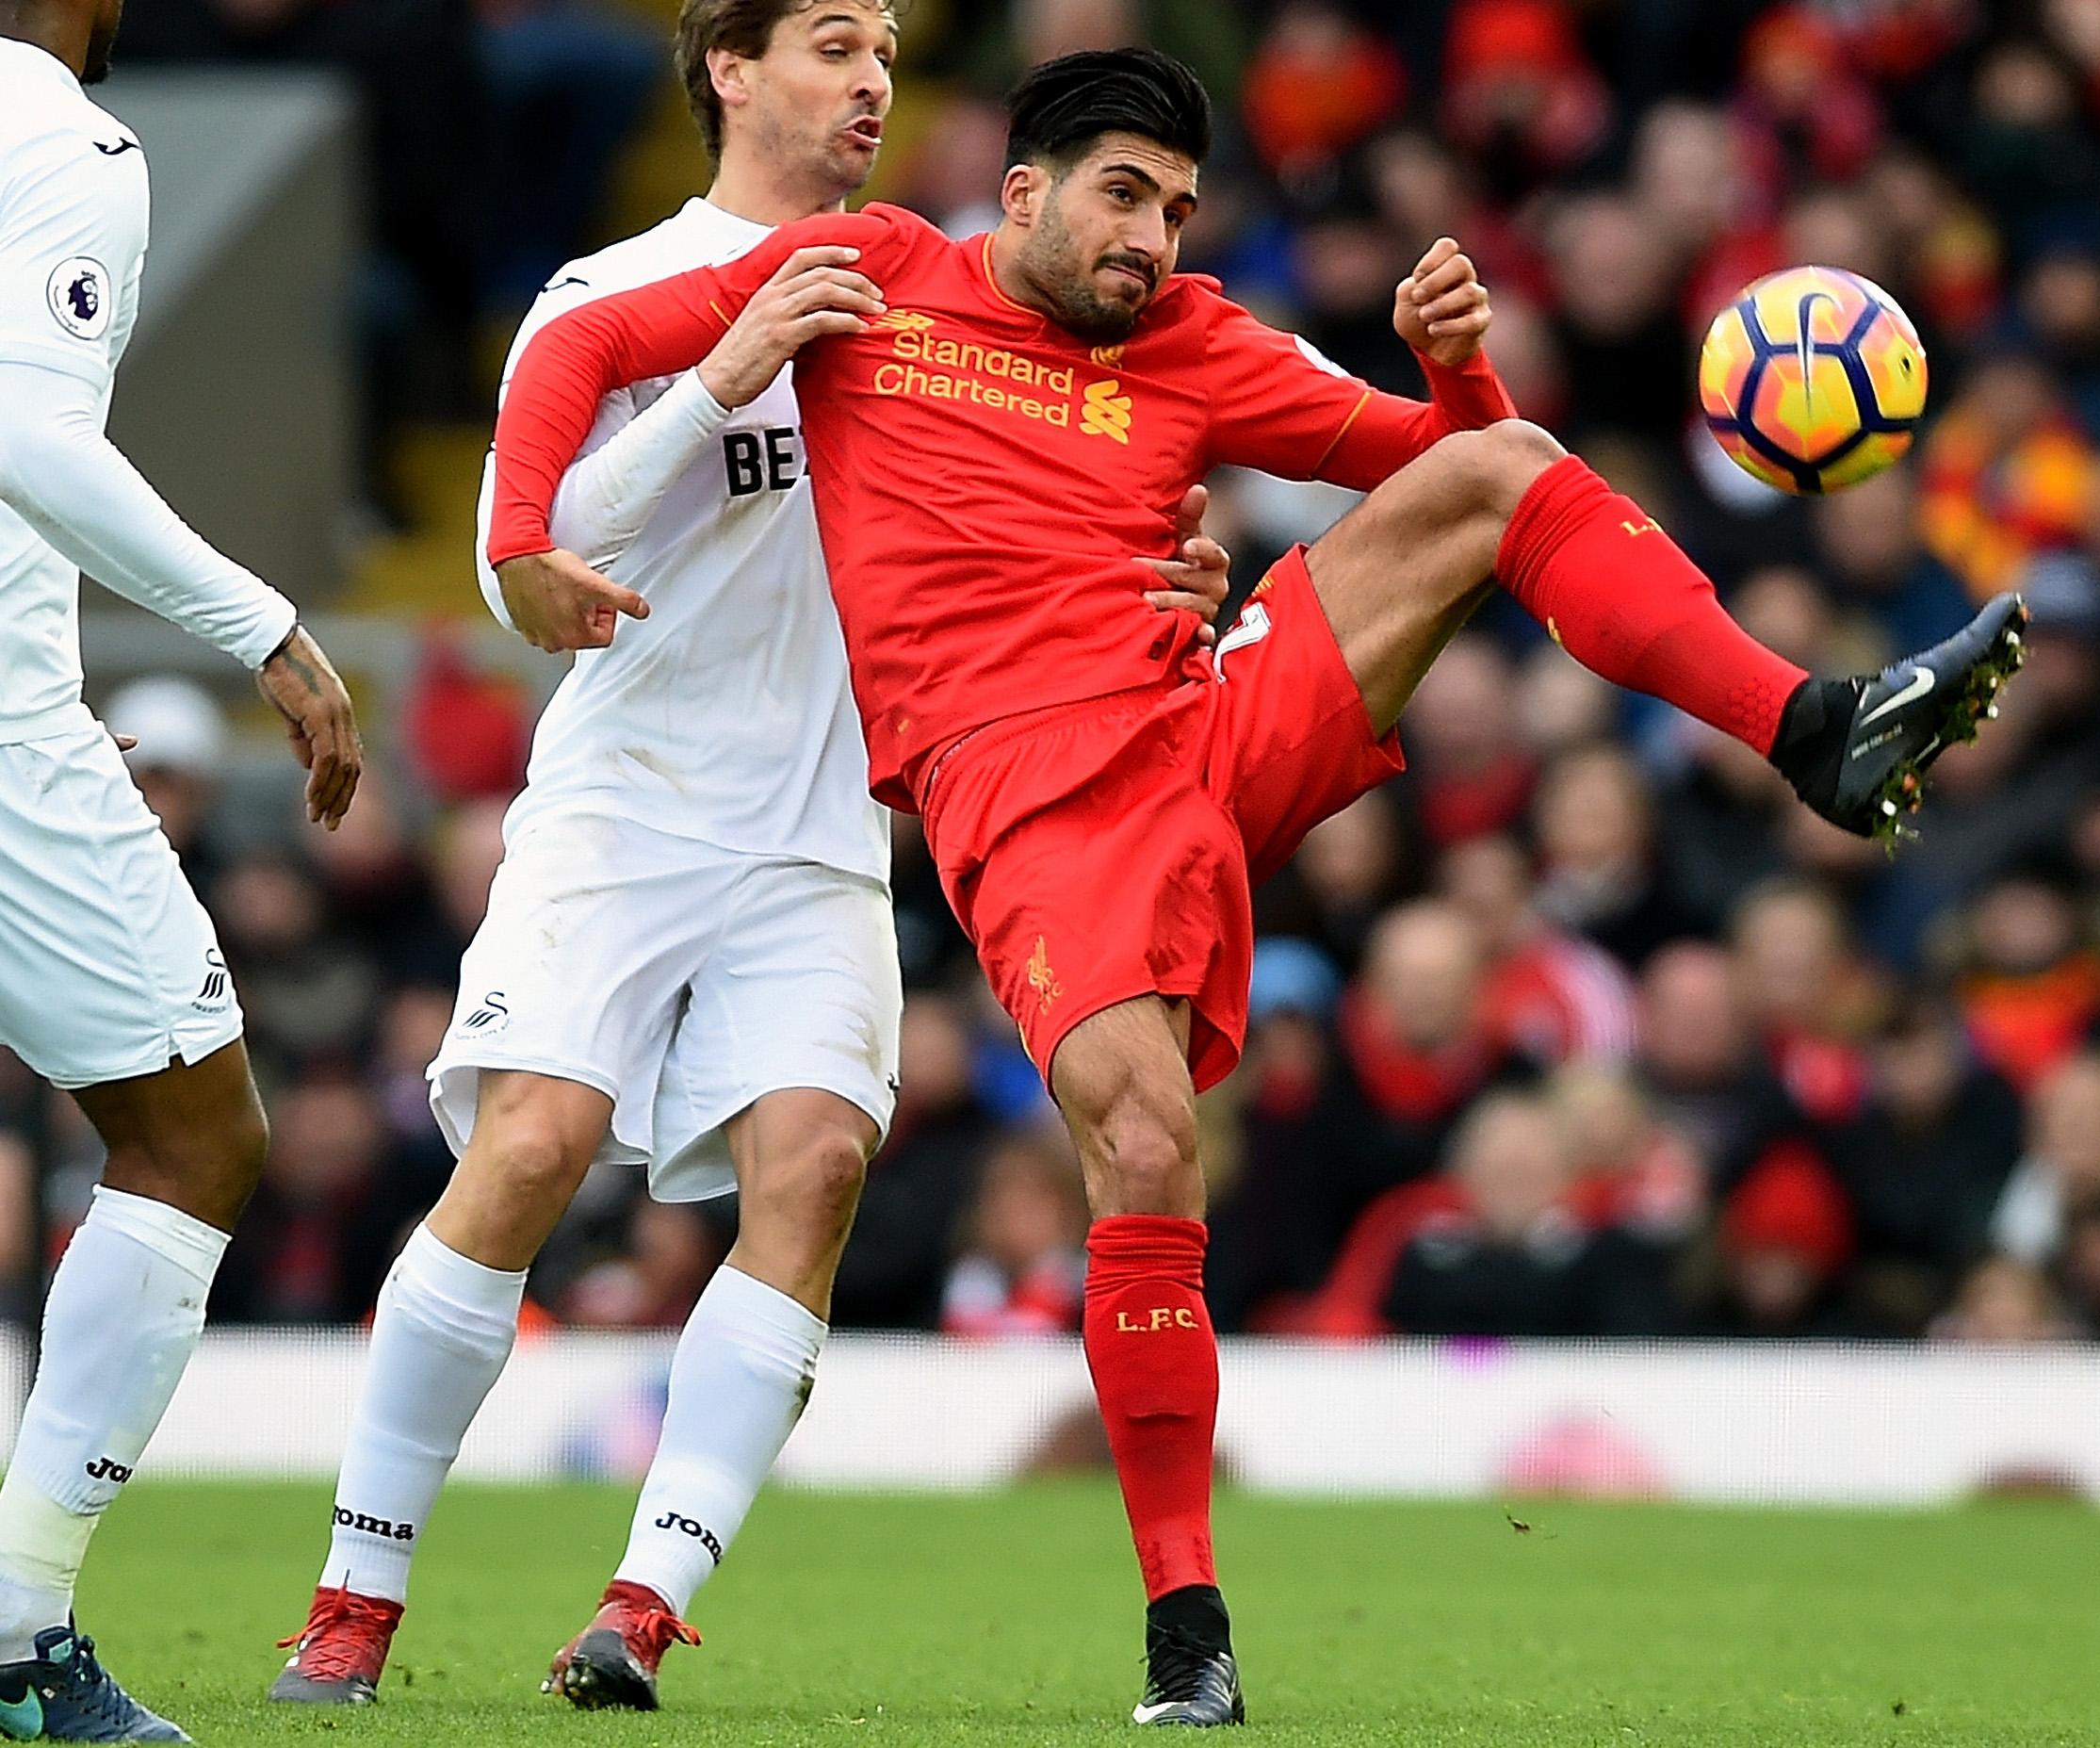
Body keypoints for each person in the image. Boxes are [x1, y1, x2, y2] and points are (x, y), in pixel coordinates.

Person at [483, 48, 2027, 1725]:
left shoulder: (1197, 343)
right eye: (1120, 197)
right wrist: (516, 542)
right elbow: (580, 341)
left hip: (1206, 719)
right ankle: (1185, 1635)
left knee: (1506, 472)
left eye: (1176, 207)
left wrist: (1457, 371)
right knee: (1144, 1140)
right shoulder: (876, 287)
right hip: (1024, 793)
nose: (1150, 239)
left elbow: (1455, 479)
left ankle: (1810, 728)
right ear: (1023, 195)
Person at [266, 0, 1227, 1716]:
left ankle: (640, 1609)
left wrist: (1167, 578)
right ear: (726, 67)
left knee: (816, 1170)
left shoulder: (947, 290)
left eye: (883, 54)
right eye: (833, 43)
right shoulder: (609, 295)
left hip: (823, 824)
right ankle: (353, 1599)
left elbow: (1071, 508)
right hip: (628, 798)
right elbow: (527, 577)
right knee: (534, 1143)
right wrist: (718, 378)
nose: (869, 82)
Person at [0, 0, 363, 1734]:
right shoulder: (64, 135)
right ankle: (15, 1629)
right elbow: (28, 434)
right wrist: (267, 631)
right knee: (194, 1133)